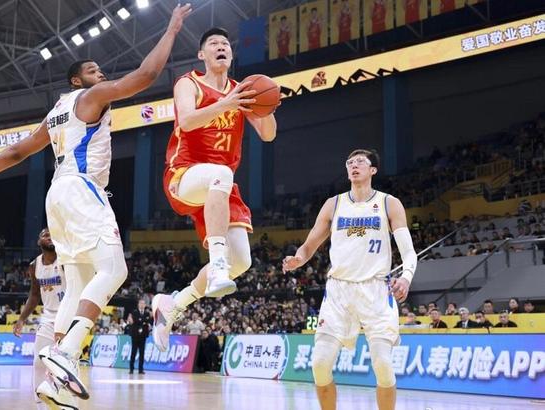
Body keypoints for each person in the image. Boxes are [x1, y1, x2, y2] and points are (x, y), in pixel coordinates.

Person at [0, 4, 192, 401]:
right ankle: (66, 353)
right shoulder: (90, 96)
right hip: (81, 189)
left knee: (75, 286)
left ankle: (54, 382)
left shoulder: (55, 112)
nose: (101, 74)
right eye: (93, 70)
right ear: (77, 80)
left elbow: (16, 152)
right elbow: (146, 75)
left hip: (56, 196)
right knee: (114, 270)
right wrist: (172, 29)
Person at [151, 27, 277, 352]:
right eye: (214, 44)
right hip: (184, 175)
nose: (221, 47)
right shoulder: (189, 83)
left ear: (231, 55)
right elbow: (186, 121)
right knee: (221, 174)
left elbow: (268, 135)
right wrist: (226, 103)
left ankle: (173, 305)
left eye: (225, 44)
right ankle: (217, 263)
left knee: (242, 262)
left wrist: (267, 105)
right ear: (202, 55)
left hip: (220, 188)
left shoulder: (241, 91)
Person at [282, 149, 418, 410]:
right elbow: (308, 247)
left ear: (373, 170)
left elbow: (408, 252)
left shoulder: (389, 203)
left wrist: (406, 277)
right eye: (350, 162)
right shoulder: (333, 204)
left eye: (360, 162)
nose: (354, 165)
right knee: (320, 364)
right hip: (338, 292)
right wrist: (298, 259)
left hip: (376, 291)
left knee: (383, 365)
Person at [12, 229, 75, 410]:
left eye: (52, 234)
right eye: (45, 235)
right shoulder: (35, 266)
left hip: (67, 317)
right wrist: (21, 319)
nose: (49, 237)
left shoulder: (65, 261)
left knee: (65, 365)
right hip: (48, 318)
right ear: (38, 241)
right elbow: (34, 295)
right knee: (39, 362)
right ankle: (40, 405)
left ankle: (67, 403)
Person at [128, 300, 152, 375]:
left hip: (143, 335)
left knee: (142, 353)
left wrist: (144, 322)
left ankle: (140, 369)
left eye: (143, 303)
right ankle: (131, 369)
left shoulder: (147, 313)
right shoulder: (134, 312)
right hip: (135, 335)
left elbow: (148, 321)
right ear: (138, 304)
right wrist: (143, 322)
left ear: (145, 305)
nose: (142, 305)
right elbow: (136, 321)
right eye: (141, 303)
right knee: (133, 352)